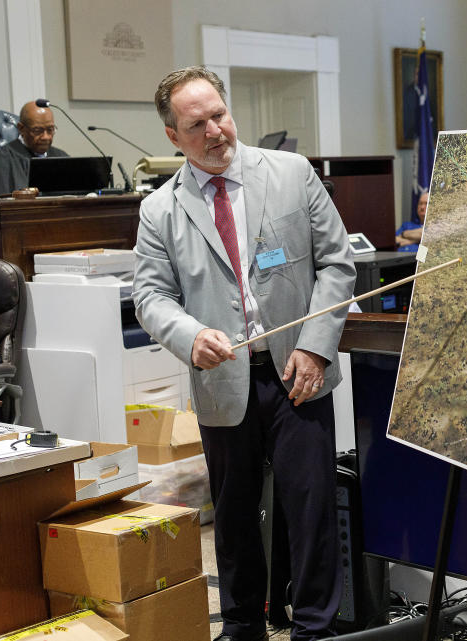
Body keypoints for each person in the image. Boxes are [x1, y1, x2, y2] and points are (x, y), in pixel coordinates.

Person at [133, 66, 355, 641]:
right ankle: (240, 628)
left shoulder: (291, 173)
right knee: (233, 521)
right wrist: (187, 336)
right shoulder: (160, 210)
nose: (215, 131)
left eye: (219, 115)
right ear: (172, 137)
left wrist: (315, 347)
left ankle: (313, 629)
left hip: (297, 372)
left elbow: (337, 263)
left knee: (311, 513)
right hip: (223, 381)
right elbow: (152, 297)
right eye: (196, 124)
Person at [0, 101, 68, 196]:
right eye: (37, 130)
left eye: (50, 130)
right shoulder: (3, 157)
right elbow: (2, 202)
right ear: (21, 128)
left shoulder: (61, 156)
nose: (46, 137)